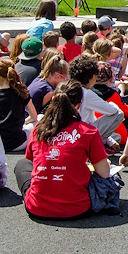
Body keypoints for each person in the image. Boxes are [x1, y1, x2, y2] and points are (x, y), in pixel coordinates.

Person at [14, 82, 110, 219]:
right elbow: (104, 173)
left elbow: (31, 161)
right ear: (79, 105)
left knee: (21, 165)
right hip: (77, 208)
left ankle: (39, 195)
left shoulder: (38, 129)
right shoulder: (89, 131)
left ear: (53, 100)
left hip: (37, 208)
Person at [68, 55, 125, 150]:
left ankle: (101, 142)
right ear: (91, 76)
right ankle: (96, 146)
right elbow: (113, 111)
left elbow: (91, 118)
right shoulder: (87, 93)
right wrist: (111, 103)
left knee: (115, 138)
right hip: (81, 134)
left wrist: (110, 140)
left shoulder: (67, 88)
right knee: (119, 113)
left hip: (69, 133)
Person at [0, 59, 37, 152]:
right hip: (18, 142)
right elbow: (34, 116)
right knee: (38, 120)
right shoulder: (22, 93)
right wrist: (23, 122)